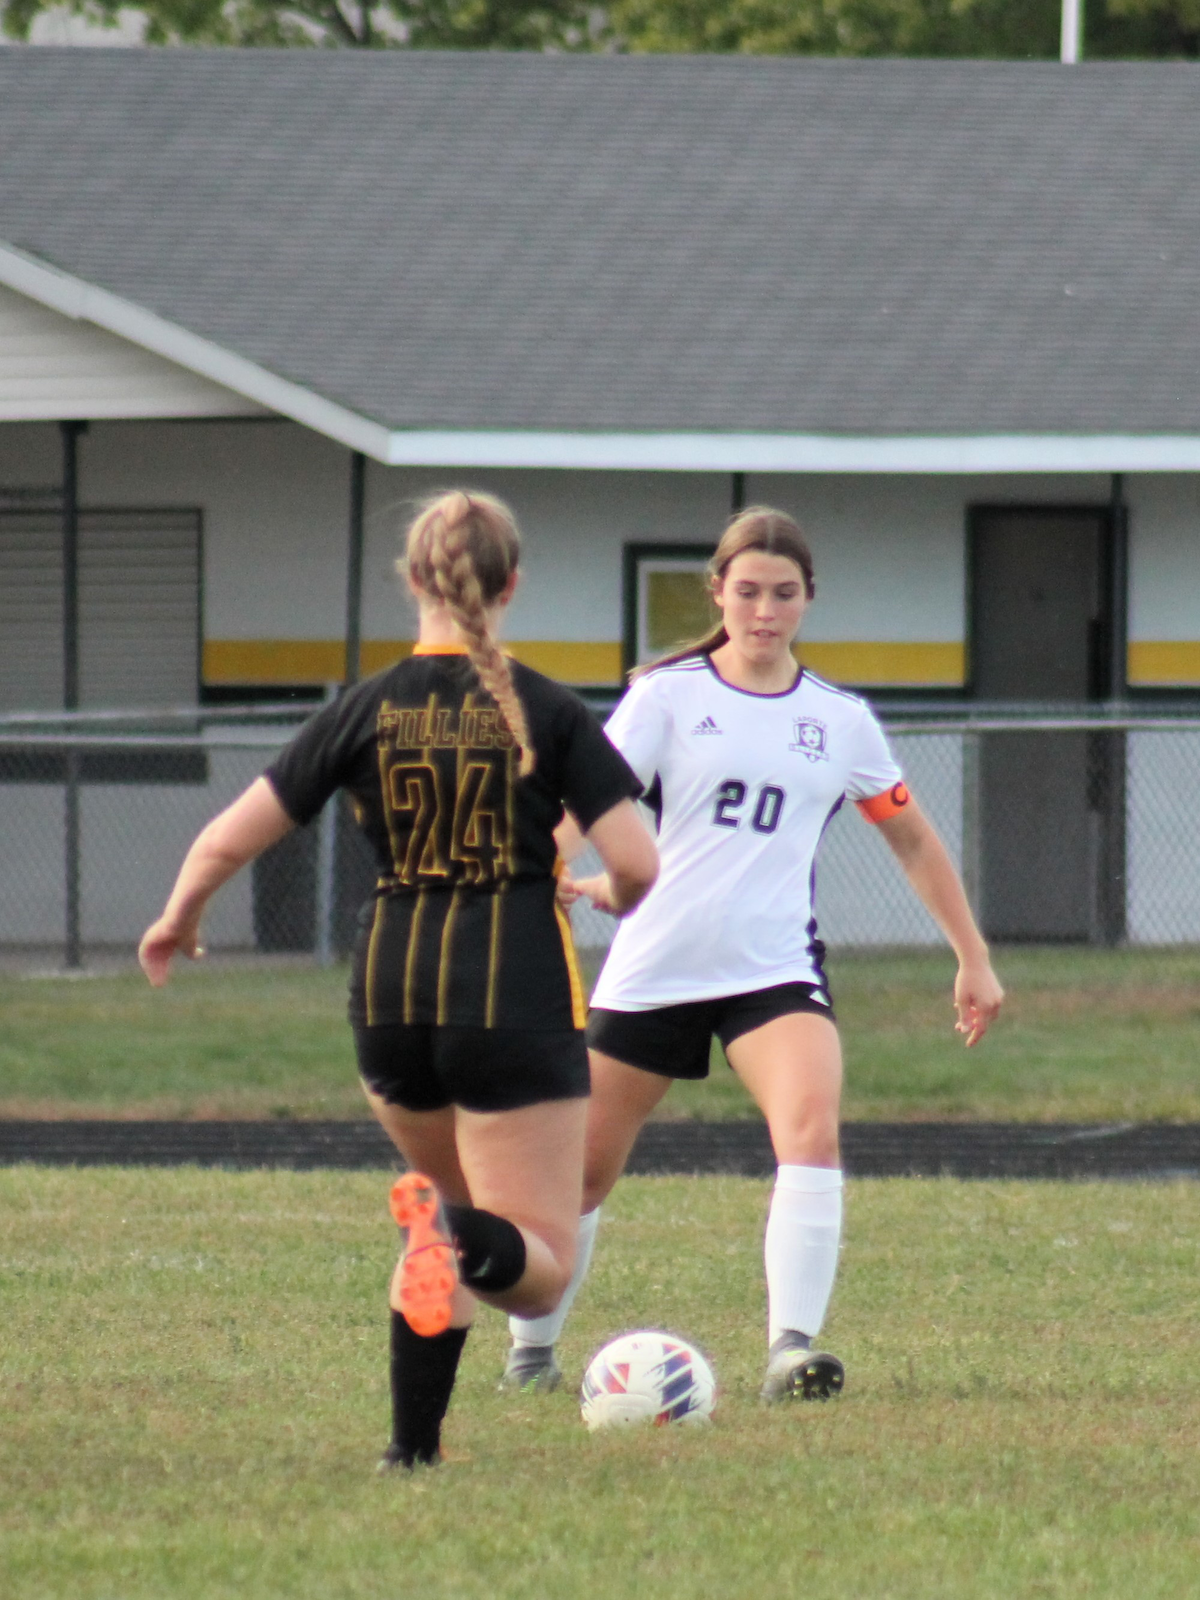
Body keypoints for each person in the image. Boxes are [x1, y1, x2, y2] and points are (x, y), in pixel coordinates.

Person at [139, 490, 657, 1467]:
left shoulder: (365, 706)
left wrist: (179, 919)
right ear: (511, 585)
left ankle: (411, 1452)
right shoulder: (547, 709)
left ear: (414, 579)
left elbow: (226, 838)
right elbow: (637, 860)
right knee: (538, 1266)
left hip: (390, 995)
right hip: (510, 991)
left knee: (446, 1219)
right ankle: (451, 1236)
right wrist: (617, 895)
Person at [503, 506, 1004, 1402]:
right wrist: (535, 870)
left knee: (810, 1132)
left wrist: (973, 955)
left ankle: (790, 1352)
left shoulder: (839, 720)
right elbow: (588, 806)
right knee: (580, 1171)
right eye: (747, 592)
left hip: (774, 973)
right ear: (718, 594)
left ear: (809, 598)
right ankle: (529, 1356)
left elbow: (913, 840)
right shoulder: (668, 697)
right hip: (655, 966)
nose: (764, 611)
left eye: (783, 593)